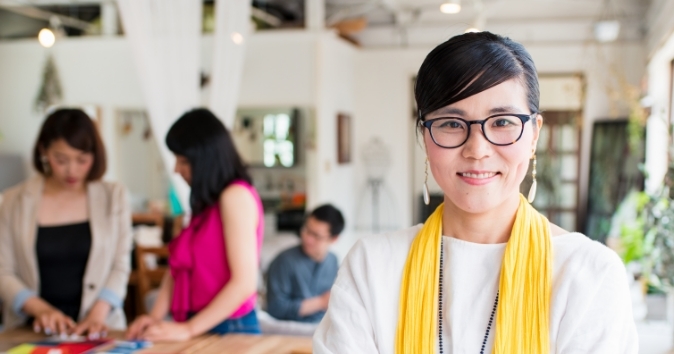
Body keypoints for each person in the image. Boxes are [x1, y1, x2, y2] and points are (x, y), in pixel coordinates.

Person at [313, 32, 638, 353]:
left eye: (502, 122)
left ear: (534, 135)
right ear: (425, 137)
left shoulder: (588, 274)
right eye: (452, 123)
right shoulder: (372, 267)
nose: (477, 149)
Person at [126, 108, 264, 341]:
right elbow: (177, 269)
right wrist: (155, 318)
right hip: (202, 325)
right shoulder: (207, 205)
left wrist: (188, 329)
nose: (176, 170)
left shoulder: (235, 197)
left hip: (230, 329)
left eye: (184, 161)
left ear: (207, 159)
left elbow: (244, 284)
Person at [0, 108, 133, 338]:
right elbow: (4, 271)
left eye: (82, 160)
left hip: (99, 328)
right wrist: (41, 310)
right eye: (61, 160)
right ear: (43, 151)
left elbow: (120, 265)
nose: (72, 170)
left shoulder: (114, 197)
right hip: (31, 329)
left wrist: (97, 315)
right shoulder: (13, 201)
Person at [266, 204, 344, 323]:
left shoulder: (333, 261)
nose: (308, 239)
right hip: (293, 331)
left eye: (316, 236)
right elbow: (275, 308)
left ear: (334, 239)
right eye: (307, 230)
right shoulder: (284, 261)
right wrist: (321, 302)